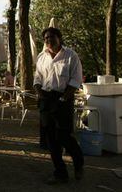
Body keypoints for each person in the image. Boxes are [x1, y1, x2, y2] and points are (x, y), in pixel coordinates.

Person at [33, 27, 84, 185]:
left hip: (63, 98)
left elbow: (75, 81)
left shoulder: (71, 55)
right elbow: (37, 80)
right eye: (46, 38)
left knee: (63, 136)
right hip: (46, 99)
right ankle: (60, 173)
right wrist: (40, 95)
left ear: (59, 38)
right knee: (50, 140)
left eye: (51, 37)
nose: (48, 40)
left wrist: (63, 99)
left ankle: (78, 161)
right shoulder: (42, 57)